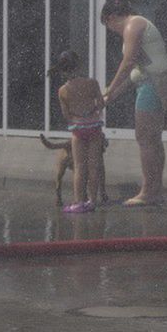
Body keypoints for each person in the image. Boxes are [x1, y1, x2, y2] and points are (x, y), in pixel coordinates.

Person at [101, 0, 167, 206]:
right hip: (151, 82)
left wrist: (110, 88)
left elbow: (129, 62)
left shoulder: (133, 24)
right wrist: (112, 95)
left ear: (111, 17)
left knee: (145, 138)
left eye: (108, 26)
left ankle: (148, 191)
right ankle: (155, 190)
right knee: (152, 139)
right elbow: (136, 71)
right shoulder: (139, 24)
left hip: (153, 85)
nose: (112, 30)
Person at [49, 50, 106, 213]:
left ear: (63, 69)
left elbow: (66, 115)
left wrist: (78, 116)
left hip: (78, 130)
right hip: (94, 127)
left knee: (80, 167)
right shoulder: (92, 83)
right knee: (94, 166)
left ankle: (78, 202)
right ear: (79, 65)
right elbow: (101, 104)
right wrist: (92, 110)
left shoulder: (63, 90)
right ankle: (92, 201)